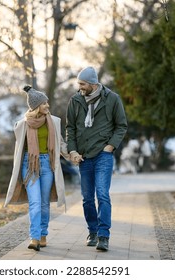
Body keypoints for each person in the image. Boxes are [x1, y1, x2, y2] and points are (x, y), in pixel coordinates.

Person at [66, 66, 128, 251]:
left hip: (103, 155)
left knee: (102, 194)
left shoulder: (112, 99)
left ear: (93, 84)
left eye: (83, 84)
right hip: (84, 157)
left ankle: (103, 235)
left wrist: (110, 147)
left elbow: (121, 126)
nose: (80, 87)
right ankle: (92, 232)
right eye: (79, 84)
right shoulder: (75, 101)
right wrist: (73, 151)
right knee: (86, 198)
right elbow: (70, 129)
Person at [4, 85, 68, 251]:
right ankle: (34, 237)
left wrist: (72, 155)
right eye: (44, 103)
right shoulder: (23, 125)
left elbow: (60, 143)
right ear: (36, 106)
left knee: (44, 203)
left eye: (47, 102)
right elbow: (19, 149)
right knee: (35, 202)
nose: (48, 106)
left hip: (47, 164)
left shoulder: (54, 122)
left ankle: (43, 234)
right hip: (30, 165)